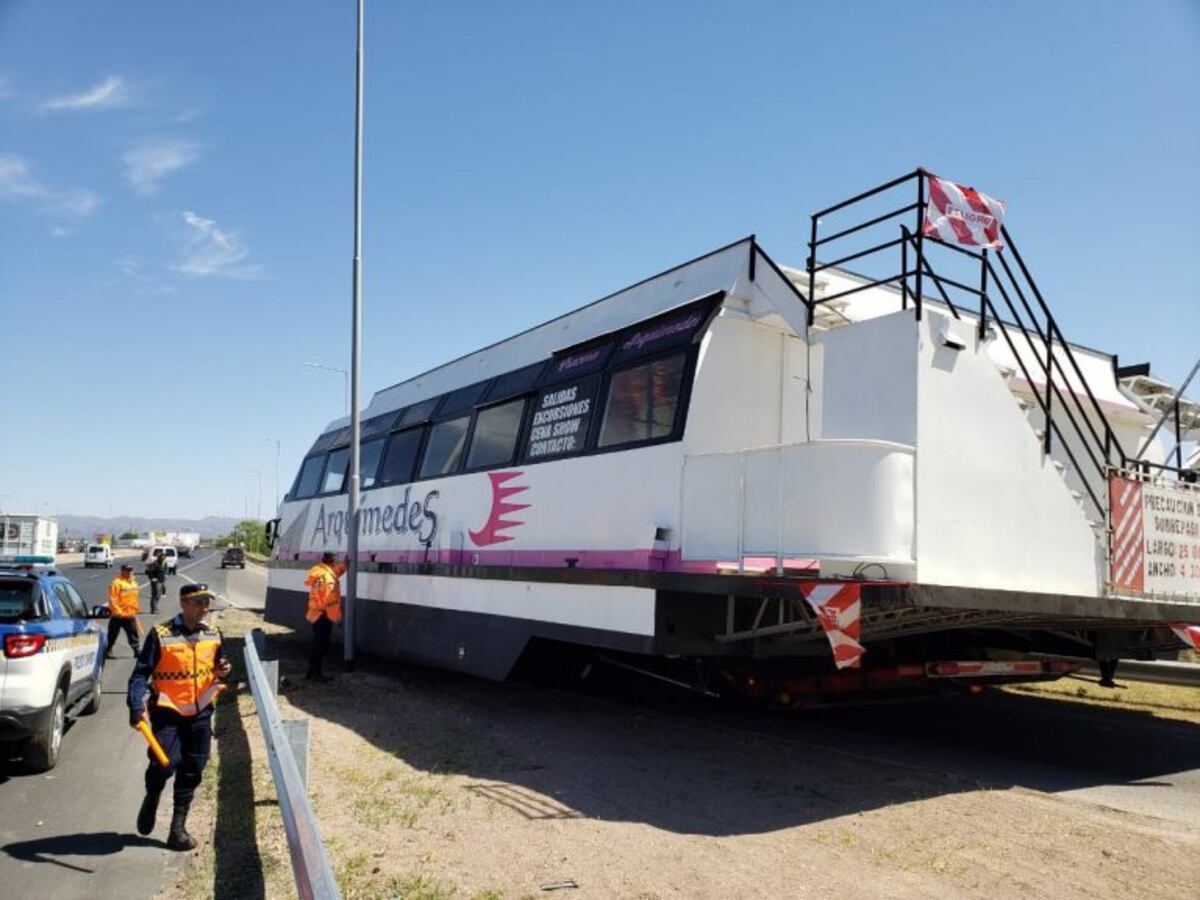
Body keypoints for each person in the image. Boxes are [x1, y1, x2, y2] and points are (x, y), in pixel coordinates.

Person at [127, 582, 231, 851]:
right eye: (198, 602)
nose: (204, 608)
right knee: (164, 764)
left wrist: (224, 671)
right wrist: (135, 706)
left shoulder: (213, 633)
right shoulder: (161, 633)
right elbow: (140, 674)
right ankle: (153, 795)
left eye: (206, 602)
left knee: (193, 769)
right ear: (184, 603)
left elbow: (221, 666)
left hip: (200, 712)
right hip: (168, 710)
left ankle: (177, 829)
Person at [304, 551, 347, 682]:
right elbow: (330, 601)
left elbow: (334, 574)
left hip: (315, 614)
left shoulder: (320, 572)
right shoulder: (328, 579)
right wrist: (337, 617)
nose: (337, 563)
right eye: (336, 561)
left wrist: (344, 566)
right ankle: (316, 675)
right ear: (332, 562)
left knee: (317, 644)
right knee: (321, 646)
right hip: (323, 615)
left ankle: (311, 673)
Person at [107, 564, 141, 658]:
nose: (129, 572)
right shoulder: (116, 583)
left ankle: (136, 650)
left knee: (133, 633)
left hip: (129, 614)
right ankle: (108, 650)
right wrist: (118, 612)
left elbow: (134, 598)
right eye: (127, 570)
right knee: (113, 633)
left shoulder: (133, 582)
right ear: (122, 571)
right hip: (118, 615)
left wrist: (135, 610)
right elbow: (113, 599)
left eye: (131, 570)